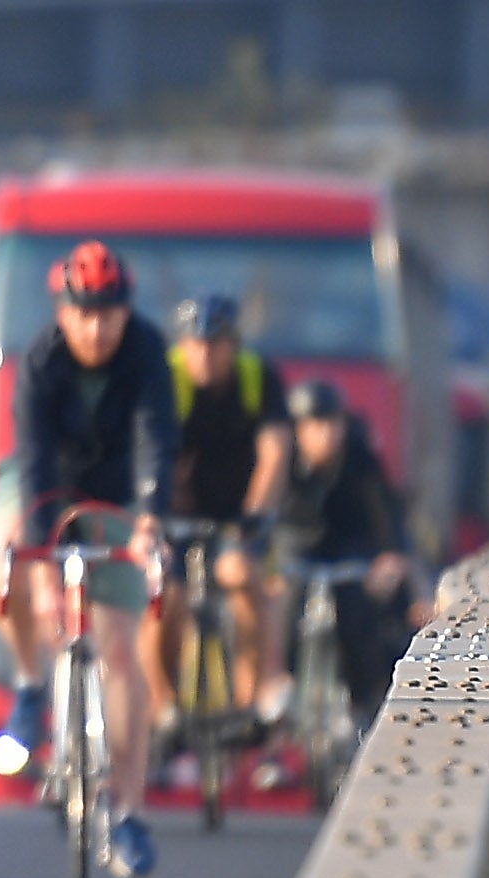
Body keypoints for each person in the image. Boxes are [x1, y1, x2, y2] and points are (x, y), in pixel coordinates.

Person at [0, 240, 177, 878]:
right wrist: (42, 560)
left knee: (122, 653)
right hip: (45, 488)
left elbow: (158, 437)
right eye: (85, 313)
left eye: (110, 312)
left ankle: (127, 812)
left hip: (118, 496)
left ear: (127, 312)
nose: (97, 328)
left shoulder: (148, 351)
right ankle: (27, 685)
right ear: (63, 312)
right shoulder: (42, 359)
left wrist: (153, 514)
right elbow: (33, 455)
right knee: (7, 556)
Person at [157, 293, 295, 735]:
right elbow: (152, 453)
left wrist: (254, 515)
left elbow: (274, 453)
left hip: (239, 511)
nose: (204, 354)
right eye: (193, 344)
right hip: (178, 510)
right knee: (165, 598)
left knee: (241, 575)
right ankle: (163, 708)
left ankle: (250, 700)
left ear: (234, 344)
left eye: (215, 344)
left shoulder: (257, 378)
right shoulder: (165, 380)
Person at [274, 379, 417, 735]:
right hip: (298, 548)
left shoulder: (359, 455)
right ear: (299, 429)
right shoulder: (282, 459)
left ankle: (361, 701)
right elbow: (265, 512)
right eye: (315, 425)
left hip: (350, 551)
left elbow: (384, 509)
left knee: (357, 610)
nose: (326, 435)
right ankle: (282, 694)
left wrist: (391, 555)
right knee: (284, 605)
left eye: (332, 423)